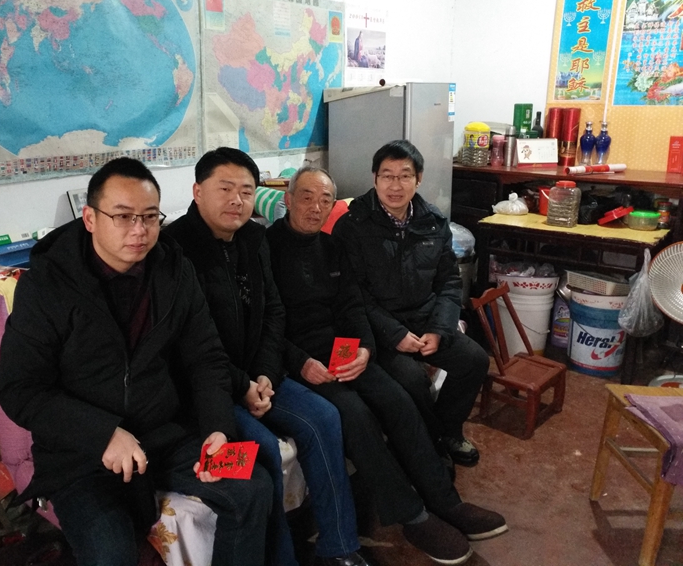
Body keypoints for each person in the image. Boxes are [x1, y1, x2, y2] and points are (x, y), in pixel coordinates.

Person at [0, 158, 273, 566]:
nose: (139, 230)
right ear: (90, 218)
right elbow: (20, 389)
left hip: (164, 432)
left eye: (149, 217)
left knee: (252, 488)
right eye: (123, 216)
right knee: (112, 552)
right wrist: (103, 434)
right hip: (82, 454)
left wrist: (217, 427)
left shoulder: (174, 270)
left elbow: (205, 357)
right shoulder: (48, 284)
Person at [267, 165, 507, 565]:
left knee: (398, 400)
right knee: (355, 415)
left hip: (342, 348)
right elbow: (266, 321)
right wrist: (300, 361)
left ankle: (446, 502)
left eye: (326, 199)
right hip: (299, 358)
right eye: (306, 197)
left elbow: (352, 305)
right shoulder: (265, 248)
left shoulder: (332, 246)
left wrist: (363, 348)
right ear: (288, 199)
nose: (316, 207)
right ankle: (412, 516)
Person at [166, 147, 368, 566]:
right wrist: (243, 384)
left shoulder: (255, 239)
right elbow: (190, 345)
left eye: (246, 191)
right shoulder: (174, 250)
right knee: (263, 449)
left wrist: (264, 374)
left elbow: (274, 312)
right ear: (198, 191)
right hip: (208, 388)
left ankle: (339, 546)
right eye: (225, 189)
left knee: (324, 417)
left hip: (259, 374)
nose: (237, 200)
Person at [332, 140, 490, 467]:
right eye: (387, 176)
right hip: (379, 328)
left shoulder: (433, 222)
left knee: (474, 360)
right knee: (412, 380)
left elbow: (449, 282)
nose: (395, 185)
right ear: (374, 179)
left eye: (405, 176)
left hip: (424, 319)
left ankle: (448, 431)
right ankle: (429, 443)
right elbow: (353, 293)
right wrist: (394, 334)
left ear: (418, 179)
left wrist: (439, 329)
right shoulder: (353, 225)